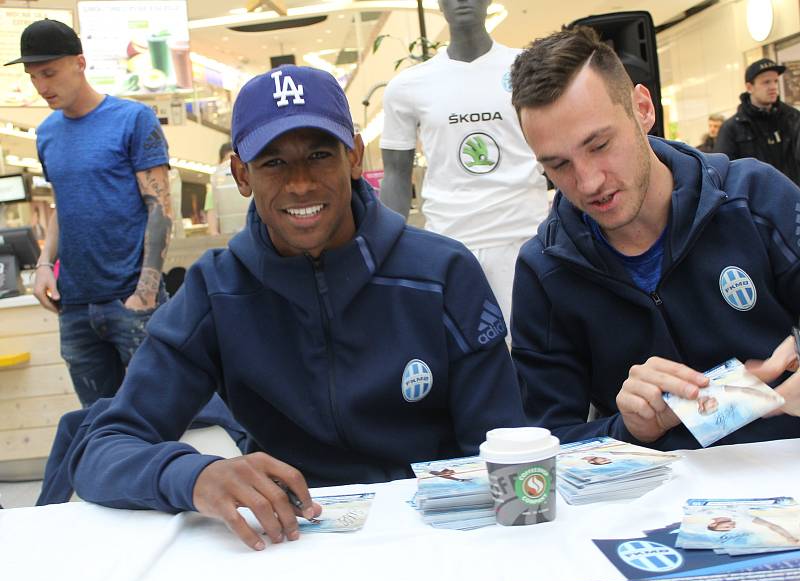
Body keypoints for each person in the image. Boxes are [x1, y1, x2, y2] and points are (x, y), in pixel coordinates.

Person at [70, 65, 526, 550]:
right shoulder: (215, 290)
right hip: (293, 542)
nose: (301, 183)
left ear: (354, 156)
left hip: (442, 535)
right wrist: (196, 475)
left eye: (319, 154)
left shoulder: (442, 274)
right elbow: (101, 449)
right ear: (241, 174)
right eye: (273, 163)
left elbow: (503, 445)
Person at [508, 27, 800, 450]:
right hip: (650, 506)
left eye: (600, 145)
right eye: (558, 165)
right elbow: (545, 444)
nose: (589, 182)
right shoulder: (544, 271)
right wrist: (631, 428)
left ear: (643, 109)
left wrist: (769, 397)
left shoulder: (755, 199)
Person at [5, 19, 171, 408]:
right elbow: (65, 204)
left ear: (80, 62)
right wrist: (45, 263)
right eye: (33, 76)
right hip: (75, 306)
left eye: (49, 72)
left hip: (131, 299)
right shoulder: (46, 134)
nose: (42, 86)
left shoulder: (132, 119)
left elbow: (160, 207)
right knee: (99, 427)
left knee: (160, 415)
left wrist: (146, 288)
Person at [379, 0, 549, 330]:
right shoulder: (408, 86)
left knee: (536, 353)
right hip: (451, 245)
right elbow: (396, 176)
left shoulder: (526, 67)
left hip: (527, 240)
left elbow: (558, 149)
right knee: (468, 361)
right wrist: (384, 254)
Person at [714, 59, 800, 186]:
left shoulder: (793, 117)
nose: (773, 87)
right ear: (749, 87)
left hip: (795, 198)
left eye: (775, 81)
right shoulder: (732, 128)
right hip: (758, 203)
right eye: (766, 82)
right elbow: (723, 174)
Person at [204, 141, 234, 236]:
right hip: (225, 238)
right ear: (221, 163)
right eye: (228, 160)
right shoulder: (214, 189)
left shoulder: (249, 183)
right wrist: (214, 233)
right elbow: (212, 214)